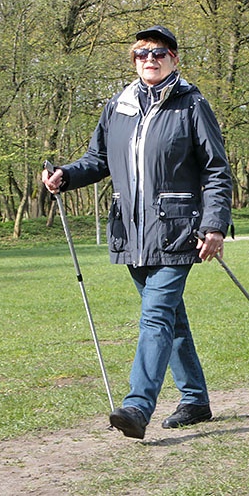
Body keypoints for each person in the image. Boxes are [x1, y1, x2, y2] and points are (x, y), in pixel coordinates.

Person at [42, 25, 232, 439]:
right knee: (171, 317)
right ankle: (195, 399)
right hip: (130, 231)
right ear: (134, 60)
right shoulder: (119, 106)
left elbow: (216, 170)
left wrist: (214, 224)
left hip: (177, 232)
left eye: (159, 52)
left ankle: (137, 405)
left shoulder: (192, 104)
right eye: (142, 53)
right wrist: (64, 175)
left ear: (174, 59)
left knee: (156, 316)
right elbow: (98, 159)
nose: (150, 59)